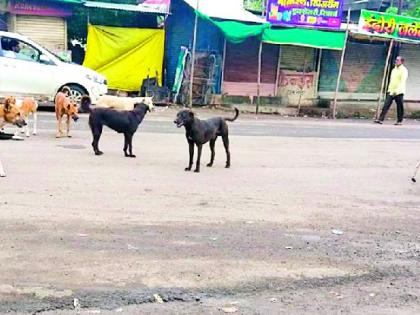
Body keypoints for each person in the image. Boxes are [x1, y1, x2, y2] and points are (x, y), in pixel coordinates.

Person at [374, 56, 408, 125]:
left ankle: (399, 121)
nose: (396, 61)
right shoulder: (394, 70)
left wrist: (397, 90)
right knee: (386, 105)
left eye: (398, 60)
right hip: (391, 91)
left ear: (401, 62)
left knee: (399, 107)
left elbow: (402, 81)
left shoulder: (404, 70)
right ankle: (381, 119)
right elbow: (391, 80)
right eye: (396, 60)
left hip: (399, 92)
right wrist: (389, 90)